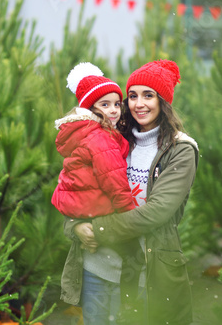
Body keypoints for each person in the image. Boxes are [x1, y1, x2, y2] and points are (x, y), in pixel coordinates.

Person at [60, 60, 199, 325]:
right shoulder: (109, 138)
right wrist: (75, 225)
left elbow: (156, 212)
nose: (139, 104)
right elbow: (73, 187)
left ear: (163, 102)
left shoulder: (180, 150)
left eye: (149, 95)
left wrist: (98, 229)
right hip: (97, 266)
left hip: (147, 271)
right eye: (132, 96)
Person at [52, 62, 146, 324]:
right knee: (132, 255)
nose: (114, 110)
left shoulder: (88, 131)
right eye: (105, 105)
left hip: (82, 206)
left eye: (117, 103)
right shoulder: (102, 137)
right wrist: (129, 217)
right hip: (99, 221)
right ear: (90, 108)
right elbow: (115, 181)